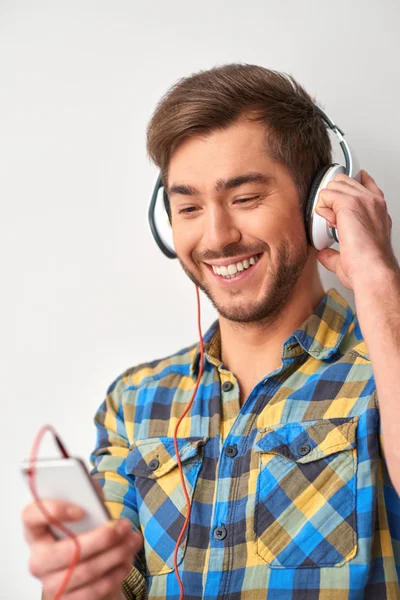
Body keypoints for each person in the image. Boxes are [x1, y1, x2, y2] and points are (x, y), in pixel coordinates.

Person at [22, 64, 400, 599]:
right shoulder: (136, 402)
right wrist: (79, 582)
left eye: (245, 199)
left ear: (320, 204)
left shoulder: (386, 364)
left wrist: (379, 279)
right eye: (189, 207)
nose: (217, 237)